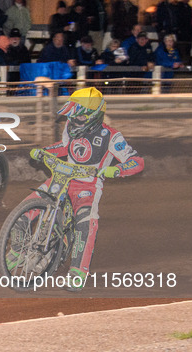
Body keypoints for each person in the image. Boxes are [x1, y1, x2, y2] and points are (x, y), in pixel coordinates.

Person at [28, 87, 144, 290]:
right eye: (72, 115)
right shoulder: (70, 126)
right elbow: (64, 146)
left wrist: (116, 170)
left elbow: (136, 161)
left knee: (85, 220)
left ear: (93, 115)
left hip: (87, 186)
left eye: (79, 116)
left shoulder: (111, 136)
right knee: (28, 206)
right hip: (61, 177)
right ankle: (14, 250)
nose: (74, 121)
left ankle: (78, 273)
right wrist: (43, 151)